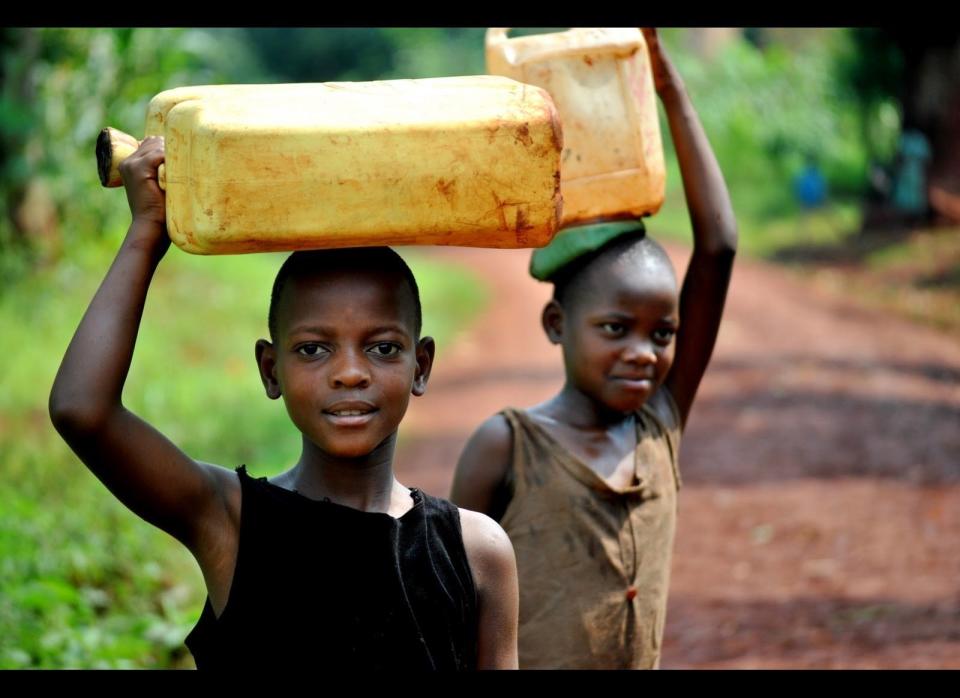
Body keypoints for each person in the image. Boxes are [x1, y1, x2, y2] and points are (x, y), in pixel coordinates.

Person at [48, 137, 519, 670]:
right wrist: (145, 234)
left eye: (382, 348)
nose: (349, 373)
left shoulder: (475, 550)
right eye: (313, 349)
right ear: (271, 370)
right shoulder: (230, 521)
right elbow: (81, 412)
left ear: (422, 365)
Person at [450, 27, 738, 669]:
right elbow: (450, 598)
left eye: (662, 333)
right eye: (615, 329)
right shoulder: (506, 447)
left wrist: (669, 89)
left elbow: (717, 245)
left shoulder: (659, 424)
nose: (643, 352)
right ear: (556, 324)